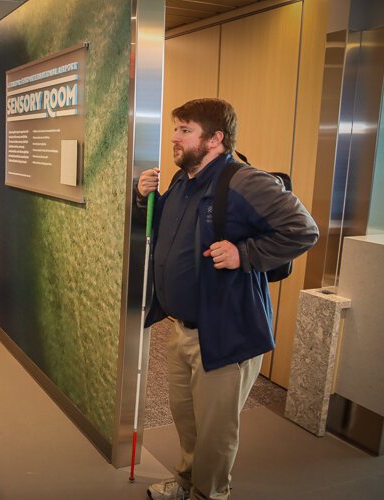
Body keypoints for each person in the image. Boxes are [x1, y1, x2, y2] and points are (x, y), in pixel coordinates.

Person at [136, 98, 319, 500]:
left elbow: (304, 229)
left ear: (215, 138)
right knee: (187, 420)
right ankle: (186, 482)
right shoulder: (184, 179)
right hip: (182, 330)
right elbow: (167, 226)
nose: (175, 137)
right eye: (176, 128)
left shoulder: (244, 181)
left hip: (225, 334)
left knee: (216, 432)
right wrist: (143, 197)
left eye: (185, 130)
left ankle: (210, 494)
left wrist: (244, 255)